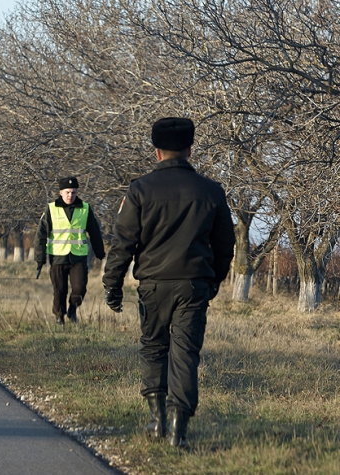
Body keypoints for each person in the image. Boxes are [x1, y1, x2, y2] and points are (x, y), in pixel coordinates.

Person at [102, 117, 235, 448]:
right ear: (190, 149)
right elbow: (225, 244)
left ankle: (156, 419)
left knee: (154, 348)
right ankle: (179, 429)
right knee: (186, 354)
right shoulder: (210, 191)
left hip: (152, 284)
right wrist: (214, 279)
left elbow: (123, 242)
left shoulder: (140, 190)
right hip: (193, 286)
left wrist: (112, 283)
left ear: (156, 151)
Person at [33, 176, 105, 324]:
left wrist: (100, 253)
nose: (70, 196)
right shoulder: (51, 209)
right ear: (60, 192)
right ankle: (59, 317)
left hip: (78, 257)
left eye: (73, 192)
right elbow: (40, 234)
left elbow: (95, 232)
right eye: (67, 192)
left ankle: (73, 309)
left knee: (79, 288)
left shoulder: (85, 208)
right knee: (59, 290)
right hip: (57, 256)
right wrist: (40, 258)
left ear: (77, 192)